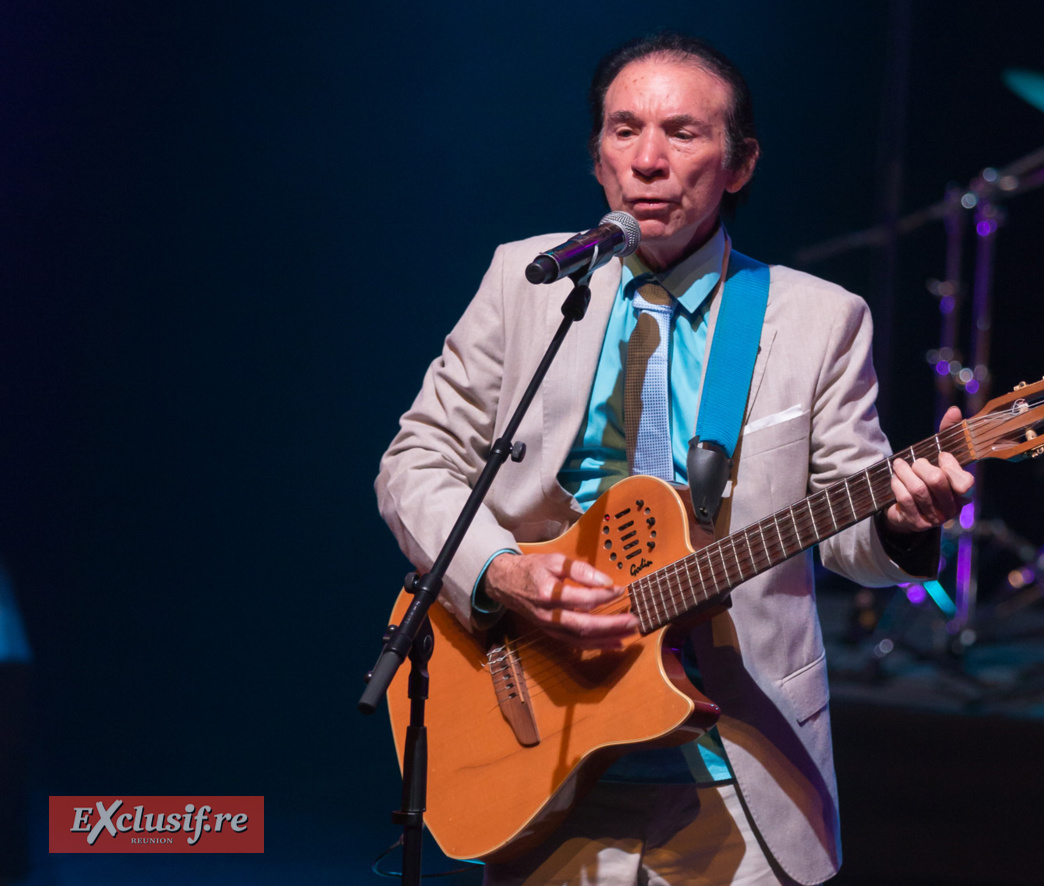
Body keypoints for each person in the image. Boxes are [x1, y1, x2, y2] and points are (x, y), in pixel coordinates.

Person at [377, 30, 973, 886]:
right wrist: (503, 573)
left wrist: (904, 523)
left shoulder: (817, 321)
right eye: (625, 131)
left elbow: (853, 539)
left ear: (740, 164)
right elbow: (416, 462)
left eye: (683, 133)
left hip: (735, 765)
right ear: (597, 160)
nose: (648, 161)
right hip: (543, 741)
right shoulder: (528, 284)